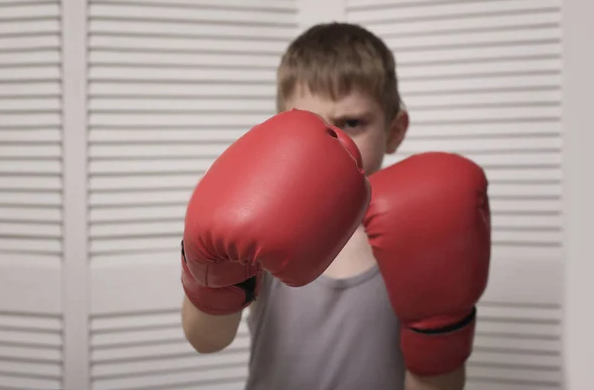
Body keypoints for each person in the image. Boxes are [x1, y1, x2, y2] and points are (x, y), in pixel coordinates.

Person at [181, 22, 490, 390]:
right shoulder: (264, 222)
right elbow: (206, 339)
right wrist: (211, 273)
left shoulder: (417, 232)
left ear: (394, 131)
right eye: (309, 126)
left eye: (353, 123)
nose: (334, 145)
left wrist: (441, 335)